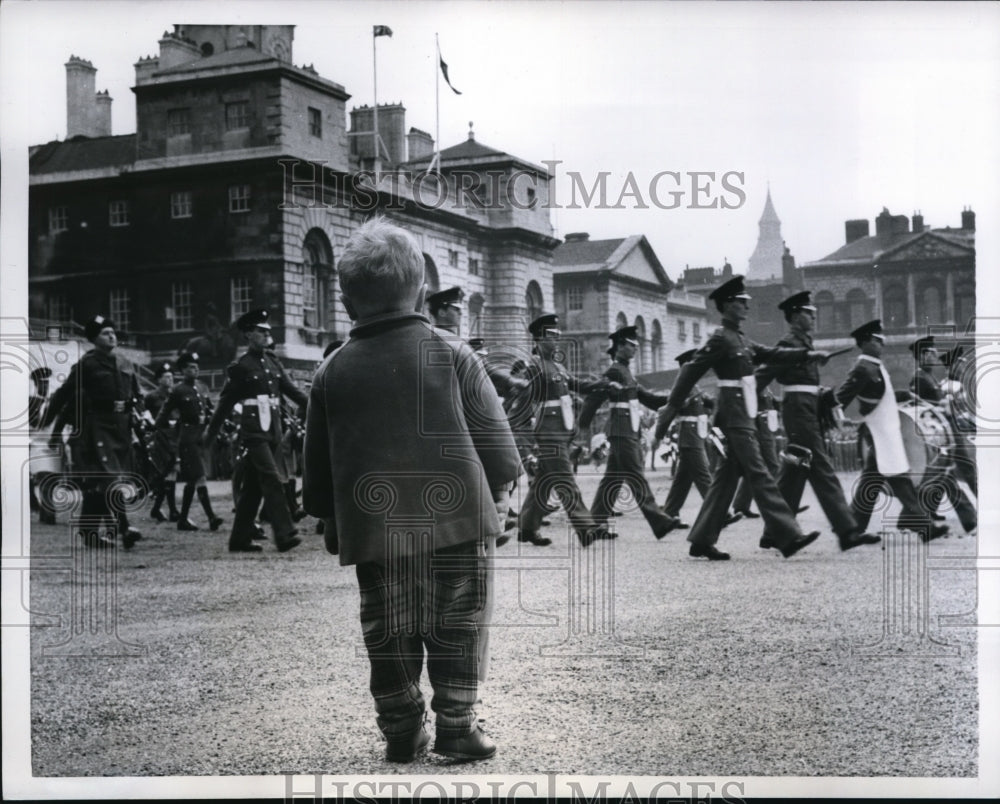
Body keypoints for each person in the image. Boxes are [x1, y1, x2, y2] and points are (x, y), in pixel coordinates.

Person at [303, 217, 521, 763]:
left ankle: (401, 727)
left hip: (375, 528)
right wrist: (502, 496)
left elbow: (319, 467)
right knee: (460, 622)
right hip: (458, 521)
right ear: (421, 290)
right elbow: (496, 444)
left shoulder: (330, 373)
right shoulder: (453, 354)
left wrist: (330, 519)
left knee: (388, 627)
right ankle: (455, 725)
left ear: (348, 303)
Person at [656, 276, 823, 560]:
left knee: (725, 481)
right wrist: (670, 408)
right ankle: (787, 535)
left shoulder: (741, 339)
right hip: (734, 418)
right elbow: (690, 372)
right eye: (741, 302)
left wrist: (806, 355)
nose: (747, 306)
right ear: (727, 306)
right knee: (759, 472)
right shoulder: (720, 338)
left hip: (741, 415)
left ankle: (702, 540)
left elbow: (772, 353)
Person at [755, 291, 880, 551]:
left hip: (805, 408)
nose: (814, 316)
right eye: (809, 313)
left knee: (796, 469)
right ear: (795, 316)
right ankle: (847, 531)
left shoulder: (803, 341)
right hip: (798, 410)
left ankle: (773, 531)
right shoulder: (790, 342)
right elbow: (764, 373)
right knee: (821, 467)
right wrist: (742, 405)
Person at [833, 320, 949, 541]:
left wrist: (906, 395)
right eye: (876, 341)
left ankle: (851, 528)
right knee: (897, 477)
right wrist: (837, 417)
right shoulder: (863, 367)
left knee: (877, 479)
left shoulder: (874, 365)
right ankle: (924, 528)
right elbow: (843, 396)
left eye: (881, 340)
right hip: (878, 432)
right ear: (865, 342)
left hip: (886, 432)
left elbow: (885, 395)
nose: (881, 344)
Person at [206, 308, 308, 553]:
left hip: (272, 431)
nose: (266, 335)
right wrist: (209, 435)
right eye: (260, 331)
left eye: (267, 331)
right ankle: (285, 533)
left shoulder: (273, 362)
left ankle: (239, 540)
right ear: (248, 334)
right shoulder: (241, 366)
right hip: (253, 434)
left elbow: (293, 392)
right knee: (271, 479)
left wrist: (321, 403)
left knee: (252, 488)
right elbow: (225, 403)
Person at [42, 315, 143, 549]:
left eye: (113, 332)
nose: (112, 336)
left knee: (101, 484)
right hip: (98, 428)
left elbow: (136, 395)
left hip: (121, 428)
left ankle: (89, 533)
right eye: (105, 333)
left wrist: (139, 414)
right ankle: (124, 527)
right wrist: (48, 421)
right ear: (94, 340)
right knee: (110, 479)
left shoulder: (125, 363)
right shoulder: (86, 365)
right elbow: (65, 393)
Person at [517, 313, 614, 547]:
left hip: (561, 431)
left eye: (558, 336)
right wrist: (528, 441)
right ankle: (586, 527)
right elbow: (521, 406)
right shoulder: (532, 368)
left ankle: (527, 527)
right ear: (539, 340)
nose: (556, 341)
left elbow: (578, 385)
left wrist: (604, 384)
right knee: (565, 480)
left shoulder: (558, 366)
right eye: (551, 337)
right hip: (548, 434)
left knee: (545, 481)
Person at [580, 325, 676, 540]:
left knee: (612, 480)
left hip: (626, 431)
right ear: (620, 346)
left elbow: (647, 398)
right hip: (621, 431)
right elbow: (594, 398)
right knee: (636, 475)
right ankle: (660, 522)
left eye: (636, 346)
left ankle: (593, 526)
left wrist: (675, 399)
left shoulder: (626, 372)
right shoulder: (615, 370)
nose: (635, 349)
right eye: (631, 346)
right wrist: (583, 426)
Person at [906, 336, 976, 536]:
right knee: (952, 475)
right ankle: (972, 518)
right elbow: (916, 408)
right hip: (938, 436)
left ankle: (915, 516)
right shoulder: (919, 378)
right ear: (924, 355)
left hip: (945, 433)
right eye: (932, 353)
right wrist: (941, 406)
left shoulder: (928, 377)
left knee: (946, 476)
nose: (936, 356)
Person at [156, 352, 223, 532]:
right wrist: (167, 428)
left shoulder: (202, 387)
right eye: (191, 367)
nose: (195, 370)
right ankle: (211, 517)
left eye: (196, 366)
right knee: (199, 476)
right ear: (183, 370)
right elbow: (163, 413)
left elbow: (208, 409)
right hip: (187, 437)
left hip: (201, 436)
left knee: (193, 481)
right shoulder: (178, 390)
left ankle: (183, 519)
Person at [656, 349, 714, 529]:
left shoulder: (693, 385)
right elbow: (672, 406)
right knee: (704, 476)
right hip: (689, 437)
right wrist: (686, 403)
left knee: (682, 481)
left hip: (696, 434)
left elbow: (708, 405)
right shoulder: (682, 384)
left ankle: (669, 514)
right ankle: (719, 512)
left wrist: (708, 401)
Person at [145, 360, 180, 523]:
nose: (170, 379)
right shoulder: (152, 397)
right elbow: (145, 415)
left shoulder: (175, 395)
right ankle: (171, 510)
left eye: (171, 376)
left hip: (175, 435)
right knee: (166, 471)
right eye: (166, 377)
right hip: (160, 436)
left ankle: (158, 508)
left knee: (170, 471)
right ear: (158, 379)